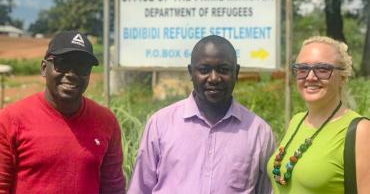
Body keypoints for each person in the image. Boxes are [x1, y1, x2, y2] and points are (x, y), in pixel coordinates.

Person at [128, 35, 275, 194]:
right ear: (191, 72)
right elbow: (140, 188)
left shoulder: (258, 132)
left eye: (223, 70)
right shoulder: (160, 124)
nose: (213, 78)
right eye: (204, 70)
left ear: (236, 72)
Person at [0, 30, 126, 193]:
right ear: (44, 68)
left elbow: (113, 187)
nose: (72, 74)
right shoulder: (11, 119)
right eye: (63, 63)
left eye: (82, 66)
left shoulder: (106, 121)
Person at [267, 36, 370, 193]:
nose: (310, 77)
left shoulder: (360, 131)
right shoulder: (296, 121)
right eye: (303, 69)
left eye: (322, 69)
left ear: (342, 77)